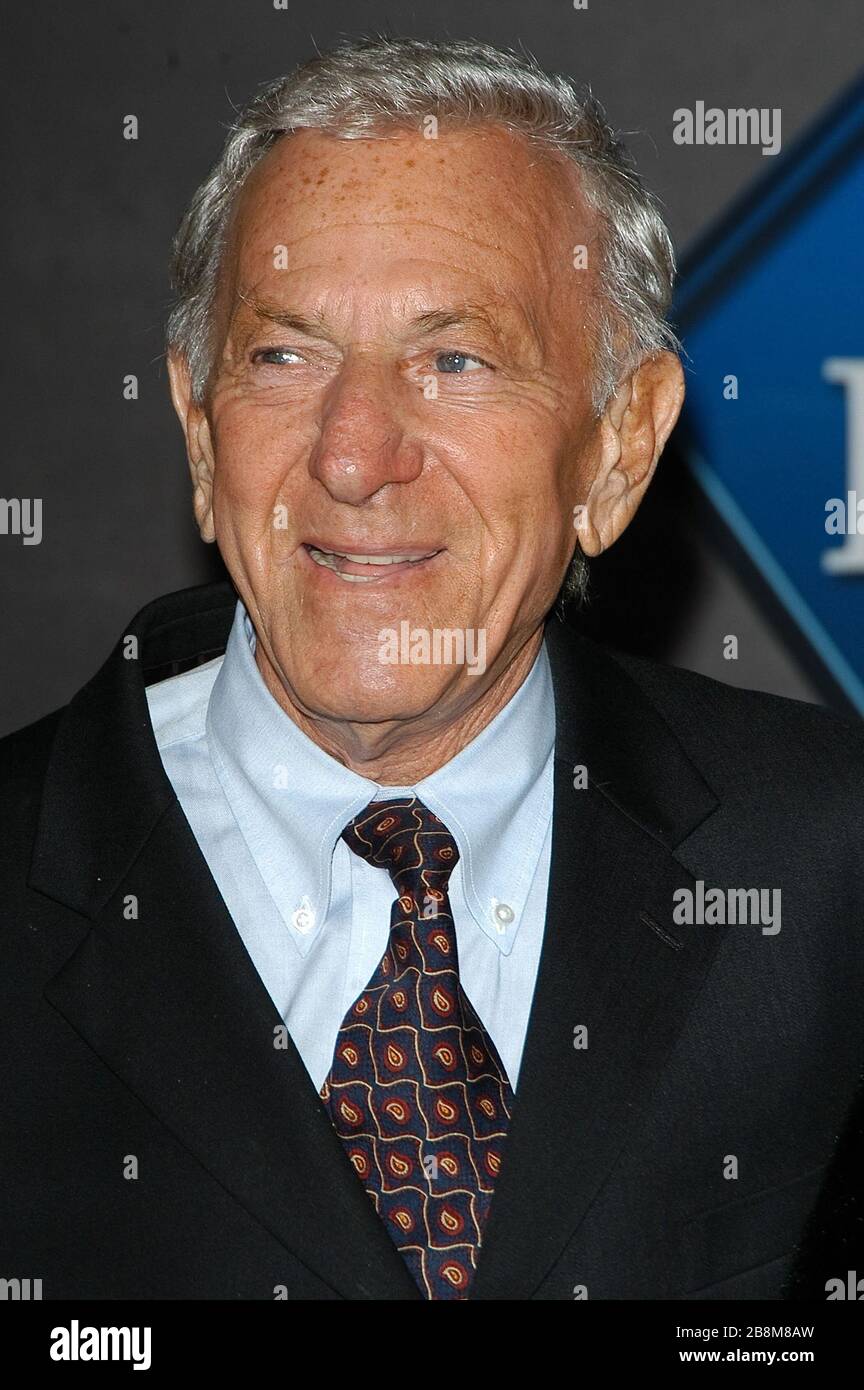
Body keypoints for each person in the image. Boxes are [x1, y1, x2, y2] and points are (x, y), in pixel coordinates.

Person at [2, 35, 863, 1302]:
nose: (354, 455)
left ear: (620, 447)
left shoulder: (832, 867)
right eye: (283, 355)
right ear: (199, 431)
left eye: (455, 361)